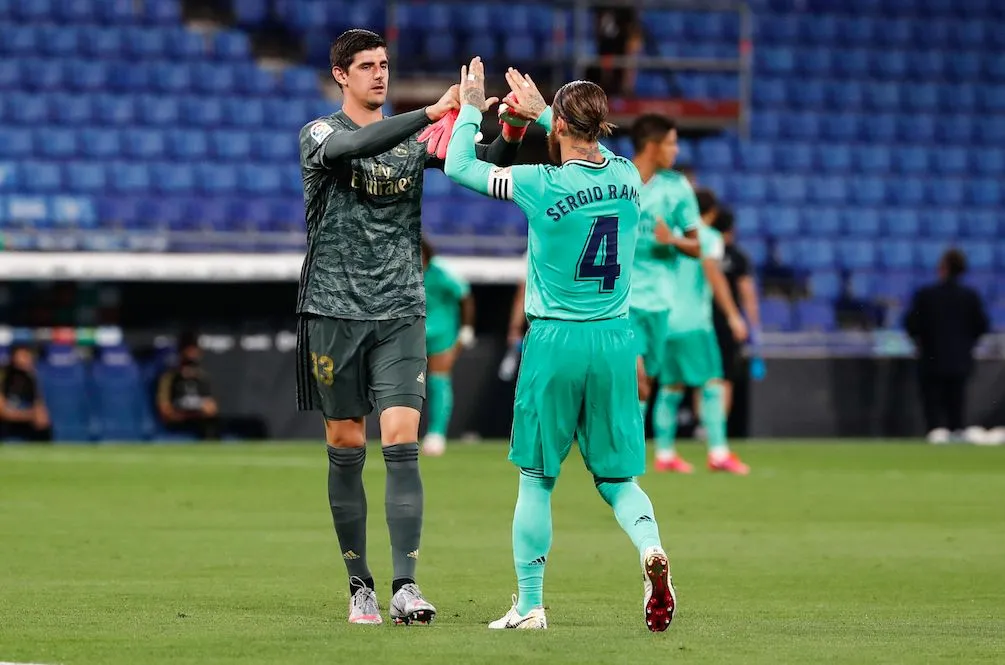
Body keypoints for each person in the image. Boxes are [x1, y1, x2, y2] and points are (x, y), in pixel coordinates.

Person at [295, 30, 523, 626]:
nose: (379, 75)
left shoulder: (414, 137)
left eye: (385, 65)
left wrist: (511, 129)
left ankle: (404, 586)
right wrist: (434, 110)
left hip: (400, 311)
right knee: (346, 445)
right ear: (340, 75)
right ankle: (358, 584)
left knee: (401, 440)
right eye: (366, 67)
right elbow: (359, 144)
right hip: (333, 313)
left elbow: (480, 165)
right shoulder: (319, 134)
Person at [445, 58, 676, 632]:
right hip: (617, 339)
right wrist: (548, 112)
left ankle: (529, 605)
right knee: (620, 480)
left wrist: (473, 106)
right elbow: (580, 138)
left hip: (555, 340)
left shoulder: (536, 184)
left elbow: (458, 166)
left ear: (561, 129)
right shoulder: (627, 178)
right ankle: (651, 549)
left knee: (537, 478)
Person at [652, 188, 750, 474]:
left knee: (671, 388)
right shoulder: (708, 238)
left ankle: (665, 453)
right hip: (695, 323)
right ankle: (718, 452)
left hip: (666, 322)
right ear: (712, 212)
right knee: (712, 385)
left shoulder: (669, 236)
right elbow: (714, 277)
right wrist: (734, 316)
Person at [624, 114, 701, 429]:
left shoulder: (677, 188)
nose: (676, 150)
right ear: (653, 146)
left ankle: (628, 455)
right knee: (633, 378)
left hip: (659, 301)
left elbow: (697, 248)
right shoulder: (617, 177)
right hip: (621, 300)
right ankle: (622, 457)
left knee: (646, 385)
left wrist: (672, 240)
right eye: (671, 143)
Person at [904, 248, 989, 443]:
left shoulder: (926, 296)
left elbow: (911, 325)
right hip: (960, 360)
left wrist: (924, 341)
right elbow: (981, 326)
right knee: (956, 404)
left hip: (931, 359)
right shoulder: (970, 297)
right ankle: (957, 434)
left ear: (943, 269)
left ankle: (935, 435)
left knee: (932, 407)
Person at [420, 238, 475, 456]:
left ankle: (436, 434)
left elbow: (465, 296)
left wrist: (466, 329)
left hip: (441, 334)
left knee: (438, 381)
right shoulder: (401, 270)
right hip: (411, 333)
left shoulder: (440, 271)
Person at [711, 207, 762, 417]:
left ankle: (702, 425)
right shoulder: (738, 257)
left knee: (705, 377)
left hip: (703, 319)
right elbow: (748, 294)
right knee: (725, 377)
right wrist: (754, 326)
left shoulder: (701, 252)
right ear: (731, 229)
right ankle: (717, 429)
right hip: (728, 322)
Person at [156, 333, 219, 440]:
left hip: (200, 427)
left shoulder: (202, 378)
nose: (193, 355)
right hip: (175, 428)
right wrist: (185, 415)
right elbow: (165, 410)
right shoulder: (170, 377)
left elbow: (211, 409)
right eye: (189, 351)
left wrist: (199, 413)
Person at [0, 344, 51, 442]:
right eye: (23, 356)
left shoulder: (31, 378)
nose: (27, 359)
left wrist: (40, 416)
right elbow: (2, 412)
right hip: (7, 427)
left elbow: (39, 407)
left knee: (44, 431)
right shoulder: (4, 377)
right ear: (14, 358)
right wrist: (30, 415)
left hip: (26, 426)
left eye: (29, 356)